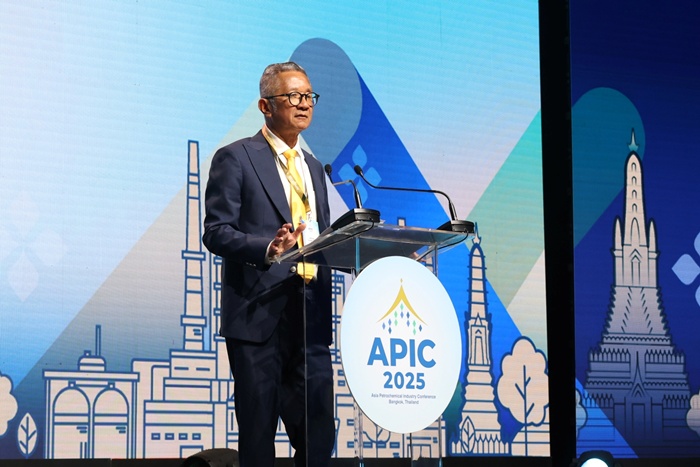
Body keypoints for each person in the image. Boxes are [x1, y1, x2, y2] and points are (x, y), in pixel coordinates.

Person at [202, 62, 335, 467]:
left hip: (310, 317)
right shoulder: (237, 158)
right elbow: (216, 231)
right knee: (259, 435)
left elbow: (321, 236)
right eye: (293, 96)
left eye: (309, 96)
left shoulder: (314, 167)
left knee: (318, 435)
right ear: (265, 106)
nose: (304, 104)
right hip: (259, 316)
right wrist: (268, 249)